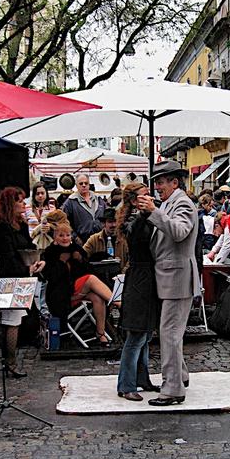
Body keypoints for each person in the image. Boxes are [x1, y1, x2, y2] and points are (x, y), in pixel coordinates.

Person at [135, 159, 198, 406]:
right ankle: (180, 375)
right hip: (172, 276)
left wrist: (154, 212)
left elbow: (179, 232)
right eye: (156, 183)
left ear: (174, 182)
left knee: (169, 332)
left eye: (161, 182)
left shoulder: (182, 203)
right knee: (172, 331)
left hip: (177, 277)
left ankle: (172, 389)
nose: (157, 187)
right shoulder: (171, 202)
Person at [114, 182, 161, 400]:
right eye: (144, 196)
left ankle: (142, 379)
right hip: (140, 278)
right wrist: (146, 214)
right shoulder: (133, 220)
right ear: (134, 201)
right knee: (136, 335)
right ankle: (126, 385)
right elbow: (134, 234)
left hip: (146, 276)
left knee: (144, 333)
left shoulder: (141, 217)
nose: (149, 198)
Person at [0, 186, 45, 377]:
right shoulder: (2, 228)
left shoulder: (21, 225)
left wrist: (37, 260)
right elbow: (6, 257)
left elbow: (30, 246)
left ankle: (11, 361)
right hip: (9, 278)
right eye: (19, 201)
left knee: (17, 320)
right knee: (11, 321)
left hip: (24, 277)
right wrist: (26, 268)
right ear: (10, 204)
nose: (23, 204)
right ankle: (10, 362)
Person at [41, 223, 115, 346]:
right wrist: (61, 262)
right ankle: (117, 302)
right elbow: (52, 277)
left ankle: (100, 333)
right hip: (60, 295)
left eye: (67, 235)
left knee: (97, 297)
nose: (65, 238)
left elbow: (87, 268)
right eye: (61, 235)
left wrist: (80, 259)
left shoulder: (76, 249)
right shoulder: (49, 252)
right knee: (90, 279)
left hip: (76, 290)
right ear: (55, 237)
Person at [61, 172, 107, 244]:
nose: (84, 185)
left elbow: (107, 216)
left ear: (89, 184)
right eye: (81, 183)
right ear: (76, 185)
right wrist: (75, 237)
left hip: (100, 239)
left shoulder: (98, 199)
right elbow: (65, 223)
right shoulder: (70, 202)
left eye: (86, 183)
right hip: (82, 241)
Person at [25, 182, 53, 249]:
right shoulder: (27, 208)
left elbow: (57, 225)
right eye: (37, 194)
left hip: (47, 243)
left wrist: (50, 227)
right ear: (34, 195)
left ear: (46, 194)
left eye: (42, 193)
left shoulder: (52, 208)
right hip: (31, 241)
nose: (40, 196)